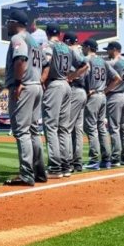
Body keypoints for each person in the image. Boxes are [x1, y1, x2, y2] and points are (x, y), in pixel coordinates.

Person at [3, 9, 46, 186]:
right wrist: (40, 80)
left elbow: (20, 60)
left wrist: (19, 82)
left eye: (8, 22)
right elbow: (47, 65)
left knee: (22, 131)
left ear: (15, 23)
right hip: (36, 85)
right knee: (33, 130)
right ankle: (39, 172)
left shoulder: (17, 38)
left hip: (25, 86)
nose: (7, 25)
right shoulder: (34, 41)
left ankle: (27, 174)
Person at [41, 23, 86, 178]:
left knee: (51, 127)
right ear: (60, 34)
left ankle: (55, 166)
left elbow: (45, 65)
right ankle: (66, 165)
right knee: (64, 128)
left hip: (54, 85)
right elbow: (84, 65)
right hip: (66, 86)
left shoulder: (47, 45)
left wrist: (41, 82)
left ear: (47, 33)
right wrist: (70, 78)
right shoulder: (67, 48)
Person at [81, 39, 116, 169]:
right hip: (102, 96)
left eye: (84, 46)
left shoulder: (86, 59)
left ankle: (94, 159)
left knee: (91, 128)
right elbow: (117, 78)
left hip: (94, 95)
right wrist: (105, 90)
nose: (82, 48)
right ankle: (106, 159)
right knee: (101, 128)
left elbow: (81, 77)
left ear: (88, 47)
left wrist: (88, 90)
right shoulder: (103, 61)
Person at [64, 32, 89, 172]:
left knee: (67, 127)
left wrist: (72, 76)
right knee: (77, 129)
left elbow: (85, 66)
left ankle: (67, 162)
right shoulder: (80, 52)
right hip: (83, 91)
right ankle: (77, 162)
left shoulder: (72, 50)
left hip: (75, 89)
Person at [104, 42, 124, 166]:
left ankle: (116, 157)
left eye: (108, 50)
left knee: (114, 128)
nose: (107, 52)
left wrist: (105, 90)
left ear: (114, 49)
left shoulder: (114, 62)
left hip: (115, 96)